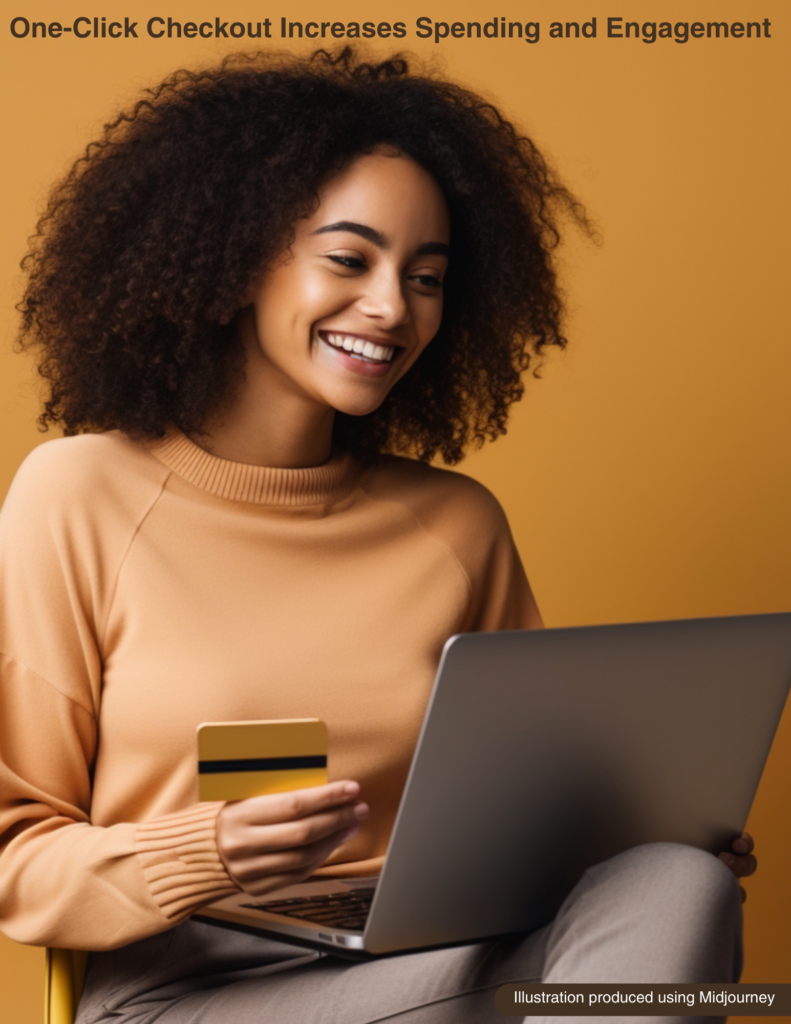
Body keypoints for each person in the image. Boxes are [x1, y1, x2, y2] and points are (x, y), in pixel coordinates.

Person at [0, 48, 754, 1024]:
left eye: (426, 276)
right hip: (187, 986)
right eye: (348, 259)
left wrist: (640, 838)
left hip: (430, 968)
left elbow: (534, 810)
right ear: (232, 263)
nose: (392, 307)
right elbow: (16, 857)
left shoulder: (455, 524)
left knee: (673, 883)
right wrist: (208, 850)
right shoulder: (80, 494)